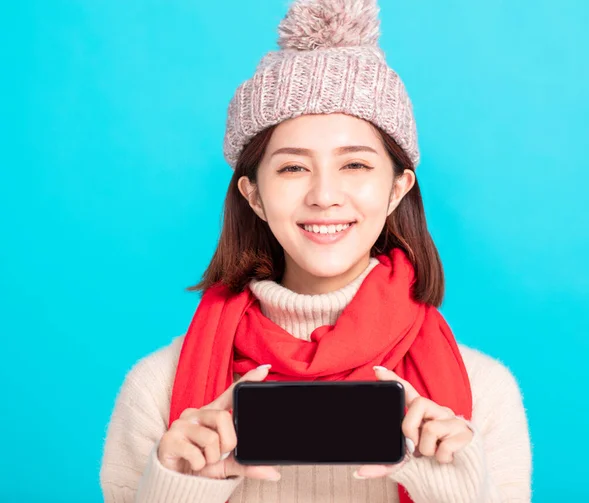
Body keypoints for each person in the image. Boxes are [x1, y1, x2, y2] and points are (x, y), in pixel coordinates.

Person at [100, 0, 532, 501]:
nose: (324, 195)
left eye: (355, 165)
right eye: (291, 168)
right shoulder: (157, 389)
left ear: (396, 189)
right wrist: (177, 488)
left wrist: (455, 493)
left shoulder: (483, 394)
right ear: (254, 195)